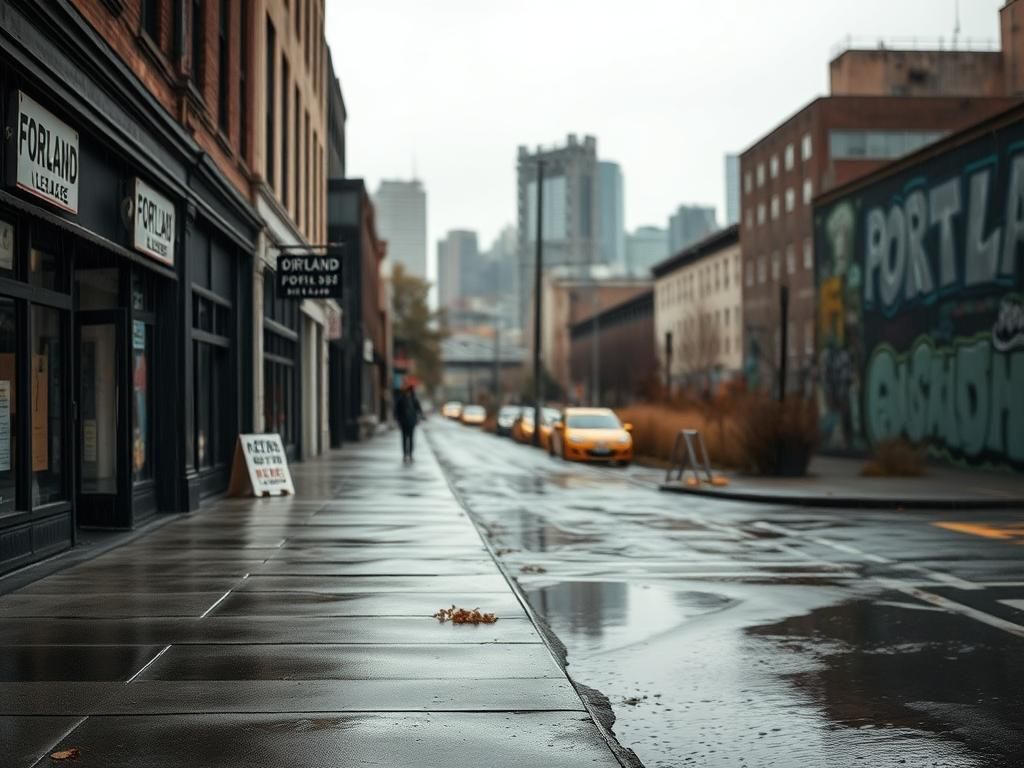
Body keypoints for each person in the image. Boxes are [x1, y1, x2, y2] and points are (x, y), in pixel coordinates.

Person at [395, 383, 425, 462]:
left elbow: (419, 409)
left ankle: (411, 454)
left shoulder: (414, 400)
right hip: (404, 422)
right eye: (407, 391)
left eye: (409, 392)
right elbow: (397, 411)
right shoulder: (401, 399)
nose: (408, 393)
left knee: (411, 439)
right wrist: (399, 420)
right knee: (404, 439)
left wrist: (420, 417)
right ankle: (405, 454)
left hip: (411, 422)